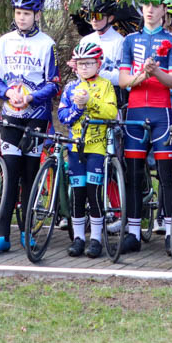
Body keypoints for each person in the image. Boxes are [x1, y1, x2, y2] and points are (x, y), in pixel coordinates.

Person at [0, 0, 59, 254]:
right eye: (18, 13)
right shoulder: (4, 41)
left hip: (36, 118)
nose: (22, 18)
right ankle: (3, 236)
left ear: (36, 15)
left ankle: (27, 233)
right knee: (9, 176)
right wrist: (7, 93)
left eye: (26, 14)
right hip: (10, 117)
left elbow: (53, 83)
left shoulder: (47, 44)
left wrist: (31, 97)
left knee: (29, 177)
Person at [118, 0, 172, 255]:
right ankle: (133, 232)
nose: (150, 10)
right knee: (133, 174)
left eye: (156, 5)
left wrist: (155, 72)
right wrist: (141, 75)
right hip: (135, 112)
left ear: (164, 10)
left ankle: (170, 232)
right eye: (146, 4)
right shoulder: (129, 41)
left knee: (166, 175)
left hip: (161, 112)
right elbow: (123, 82)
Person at [57, 39, 119, 258]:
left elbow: (111, 113)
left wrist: (90, 101)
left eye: (89, 63)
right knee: (78, 194)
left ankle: (95, 239)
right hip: (75, 147)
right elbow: (63, 116)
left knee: (94, 193)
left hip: (97, 148)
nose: (84, 67)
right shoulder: (70, 87)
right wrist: (77, 108)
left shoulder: (106, 85)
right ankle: (78, 238)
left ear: (98, 64)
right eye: (80, 63)